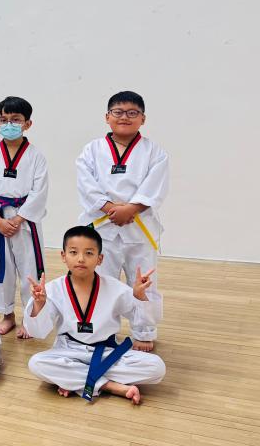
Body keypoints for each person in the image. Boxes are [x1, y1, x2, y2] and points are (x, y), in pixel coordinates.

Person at [25, 226, 165, 404]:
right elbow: (38, 331)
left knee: (157, 367)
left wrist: (139, 297)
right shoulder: (53, 289)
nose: (81, 259)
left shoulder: (115, 287)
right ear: (63, 256)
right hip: (68, 351)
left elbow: (143, 320)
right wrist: (39, 303)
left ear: (100, 259)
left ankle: (75, 380)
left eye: (89, 253)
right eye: (73, 252)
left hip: (107, 351)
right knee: (36, 363)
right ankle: (110, 386)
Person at [76, 91, 168, 351]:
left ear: (143, 118)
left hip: (139, 226)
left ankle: (144, 331)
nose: (124, 117)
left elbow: (155, 187)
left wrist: (131, 209)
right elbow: (86, 184)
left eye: (132, 113)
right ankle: (101, 331)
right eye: (118, 112)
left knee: (143, 280)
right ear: (107, 117)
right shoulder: (92, 150)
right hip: (101, 227)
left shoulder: (155, 152)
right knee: (100, 281)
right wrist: (109, 208)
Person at [0, 96, 49, 338]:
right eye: (3, 119)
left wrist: (18, 219)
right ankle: (7, 315)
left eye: (15, 119)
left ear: (28, 124)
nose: (9, 124)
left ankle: (30, 317)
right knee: (0, 268)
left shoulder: (36, 156)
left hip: (25, 221)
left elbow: (39, 191)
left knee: (29, 268)